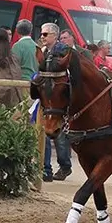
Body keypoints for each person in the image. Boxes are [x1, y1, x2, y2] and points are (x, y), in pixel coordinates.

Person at [36, 23, 72, 182]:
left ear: (54, 36)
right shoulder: (43, 51)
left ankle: (64, 166)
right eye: (42, 34)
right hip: (47, 99)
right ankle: (46, 169)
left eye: (45, 34)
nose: (42, 37)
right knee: (47, 133)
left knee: (60, 135)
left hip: (59, 100)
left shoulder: (62, 51)